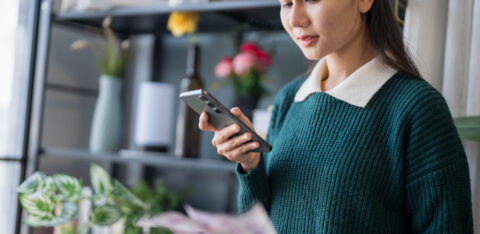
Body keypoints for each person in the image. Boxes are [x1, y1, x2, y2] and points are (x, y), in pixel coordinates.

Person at [199, 0, 473, 233]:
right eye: (286, 3)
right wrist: (250, 164)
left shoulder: (416, 107)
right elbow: (262, 225)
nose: (295, 19)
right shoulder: (290, 99)